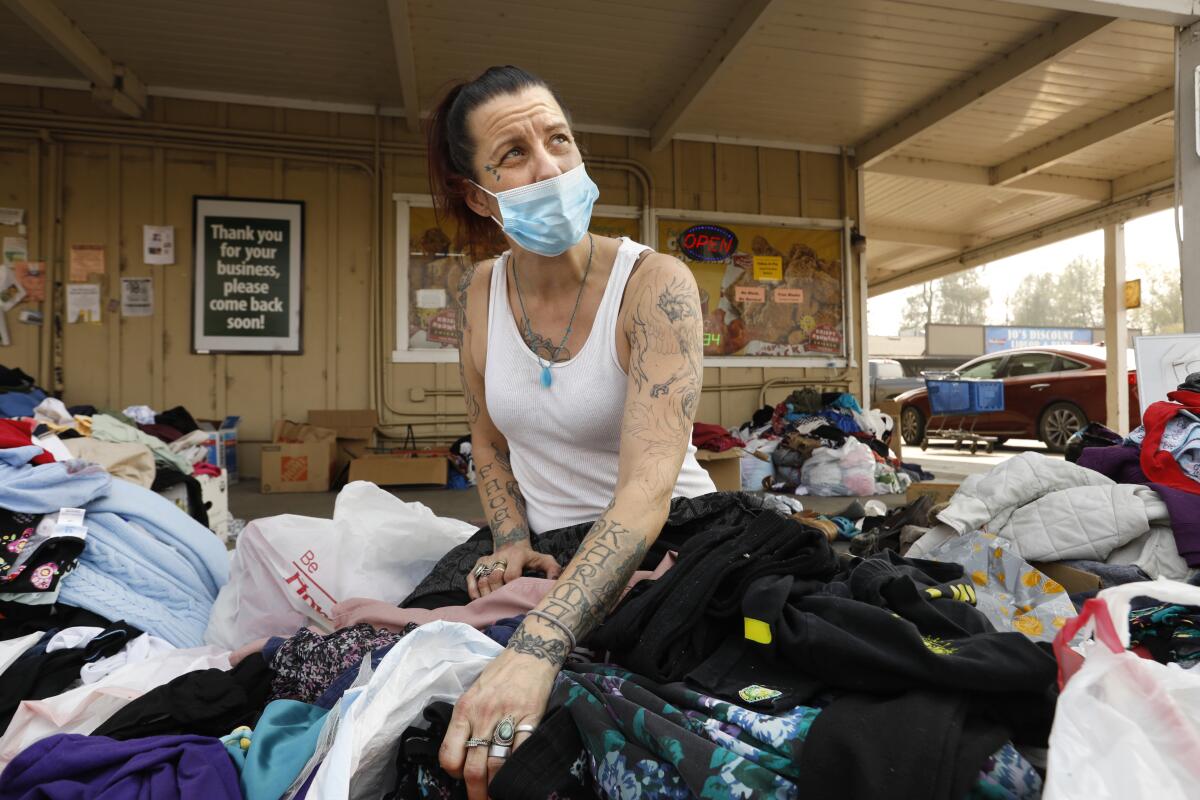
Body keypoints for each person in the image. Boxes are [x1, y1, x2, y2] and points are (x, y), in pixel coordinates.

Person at [421, 65, 716, 797]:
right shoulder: (479, 291)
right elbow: (487, 442)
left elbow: (646, 494)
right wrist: (510, 538)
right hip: (548, 551)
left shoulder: (655, 287)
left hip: (668, 539)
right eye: (514, 153)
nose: (549, 166)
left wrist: (538, 645)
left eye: (558, 139)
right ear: (476, 193)